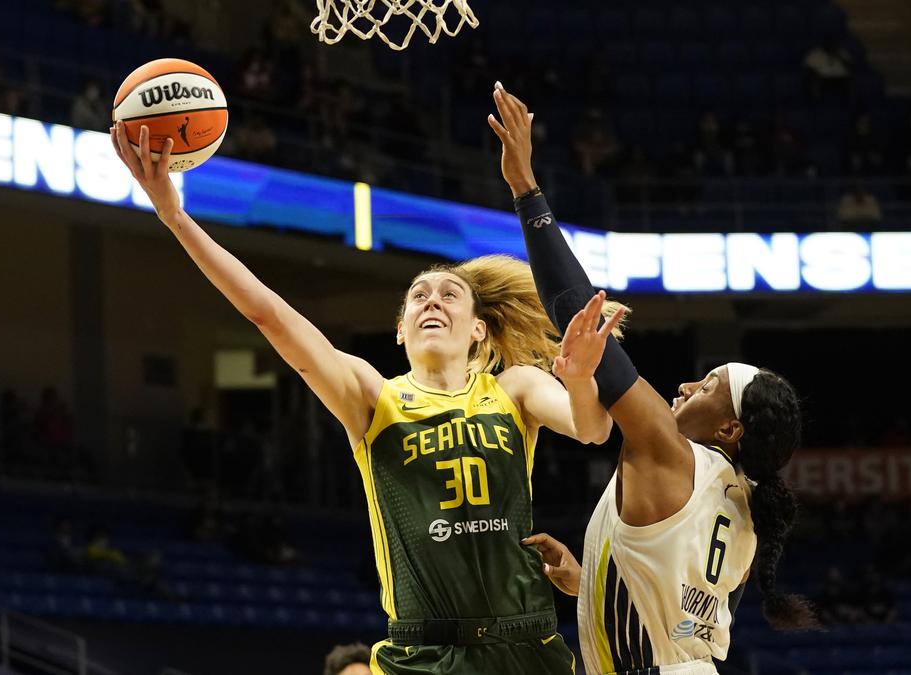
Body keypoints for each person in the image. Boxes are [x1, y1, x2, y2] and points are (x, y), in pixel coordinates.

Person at [110, 122, 617, 673]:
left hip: (526, 644)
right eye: (418, 296)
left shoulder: (512, 388)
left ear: (477, 329)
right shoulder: (374, 400)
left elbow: (591, 429)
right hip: (424, 650)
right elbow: (269, 315)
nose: (432, 301)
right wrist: (174, 216)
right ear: (400, 329)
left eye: (450, 295)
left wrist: (584, 378)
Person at [487, 82, 819, 675]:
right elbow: (683, 623)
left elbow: (578, 313)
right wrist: (587, 581)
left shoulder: (671, 451)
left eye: (710, 384)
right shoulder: (743, 516)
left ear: (731, 428)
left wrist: (526, 192)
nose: (688, 386)